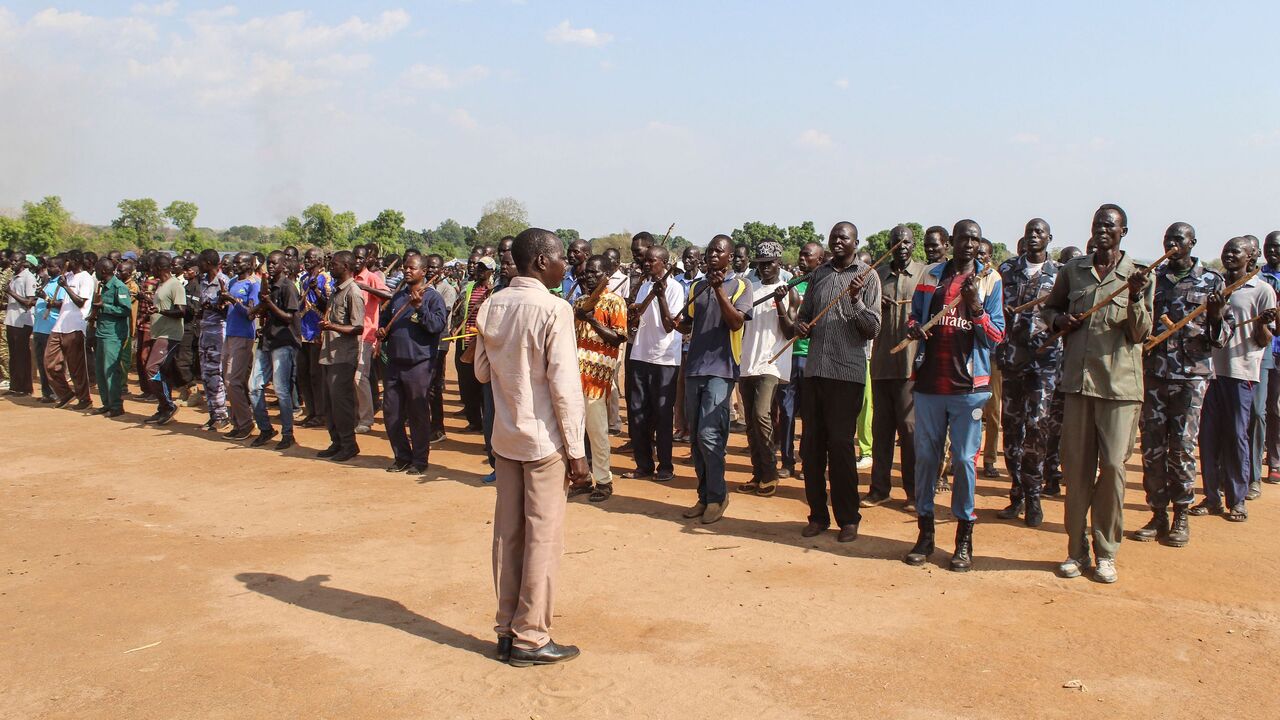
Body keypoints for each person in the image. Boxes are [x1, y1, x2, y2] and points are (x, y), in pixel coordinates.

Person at [473, 227, 588, 667]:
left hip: (505, 437)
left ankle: (506, 629)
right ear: (541, 261)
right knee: (542, 537)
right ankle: (531, 636)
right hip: (544, 443)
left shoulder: (492, 304)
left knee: (508, 535)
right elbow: (564, 387)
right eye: (561, 258)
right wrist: (576, 452)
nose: (567, 265)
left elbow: (482, 373)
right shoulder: (555, 309)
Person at [1042, 204, 1154, 584]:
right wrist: (1059, 320)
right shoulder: (1073, 271)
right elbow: (1051, 308)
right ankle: (1076, 551)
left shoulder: (1138, 276)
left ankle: (1107, 552)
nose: (1102, 230)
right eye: (1097, 224)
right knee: (1075, 470)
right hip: (1077, 385)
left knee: (1112, 469)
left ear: (1124, 231)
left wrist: (1136, 298)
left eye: (1110, 225)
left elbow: (1140, 333)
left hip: (1119, 390)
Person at [901, 220, 1004, 571]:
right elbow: (914, 318)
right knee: (926, 460)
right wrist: (914, 327)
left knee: (962, 461)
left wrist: (976, 307)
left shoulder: (990, 281)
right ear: (952, 242)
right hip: (930, 384)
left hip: (969, 389)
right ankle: (925, 535)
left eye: (975, 239)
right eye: (963, 238)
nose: (969, 245)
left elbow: (995, 336)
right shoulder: (931, 275)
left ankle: (963, 539)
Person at [1137, 223, 1228, 547]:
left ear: (1193, 243)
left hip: (1191, 378)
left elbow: (1222, 338)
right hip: (1156, 375)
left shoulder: (1211, 281)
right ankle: (1158, 513)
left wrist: (1216, 317)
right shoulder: (1153, 280)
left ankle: (1182, 515)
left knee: (1183, 448)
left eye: (1179, 239)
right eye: (1168, 239)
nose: (1172, 244)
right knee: (1153, 448)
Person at [793, 222, 882, 542]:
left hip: (847, 374)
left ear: (856, 242)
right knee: (812, 448)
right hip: (815, 370)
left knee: (842, 448)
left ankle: (848, 518)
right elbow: (804, 315)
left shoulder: (868, 276)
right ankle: (818, 515)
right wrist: (801, 326)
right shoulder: (820, 275)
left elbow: (872, 328)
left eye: (844, 237)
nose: (838, 242)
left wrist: (856, 300)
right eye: (834, 237)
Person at [1193, 237, 1276, 522]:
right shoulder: (1214, 286)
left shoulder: (1261, 290)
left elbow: (1265, 339)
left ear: (1250, 257)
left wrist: (1263, 322)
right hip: (1210, 372)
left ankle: (1237, 499)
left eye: (1235, 251)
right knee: (1208, 437)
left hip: (1241, 372)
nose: (1229, 254)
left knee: (1236, 435)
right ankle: (1212, 496)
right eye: (1226, 250)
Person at [677, 235, 754, 524]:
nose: (711, 255)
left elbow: (735, 322)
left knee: (710, 437)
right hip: (695, 367)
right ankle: (704, 496)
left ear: (730, 257)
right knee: (696, 439)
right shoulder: (697, 286)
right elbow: (688, 322)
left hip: (722, 369)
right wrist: (673, 319)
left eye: (718, 251)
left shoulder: (741, 286)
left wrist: (720, 290)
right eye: (709, 250)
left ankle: (718, 496)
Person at [993, 218, 1061, 527]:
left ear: (1049, 238)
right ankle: (1016, 493)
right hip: (1012, 360)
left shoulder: (1060, 274)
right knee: (1012, 430)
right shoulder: (1006, 271)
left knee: (1037, 428)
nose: (1034, 236)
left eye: (1040, 232)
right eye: (1029, 232)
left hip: (1044, 364)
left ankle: (1034, 497)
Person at [867, 225, 923, 510]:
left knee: (910, 431)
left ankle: (913, 493)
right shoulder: (877, 277)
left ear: (914, 245)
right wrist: (878, 307)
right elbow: (864, 313)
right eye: (895, 242)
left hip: (910, 367)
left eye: (906, 242)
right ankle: (879, 488)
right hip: (881, 364)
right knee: (882, 430)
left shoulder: (924, 274)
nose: (900, 246)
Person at [736, 240, 798, 496]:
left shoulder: (789, 290)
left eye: (769, 264)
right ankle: (758, 472)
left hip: (772, 363)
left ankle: (771, 472)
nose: (765, 269)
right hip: (747, 361)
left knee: (762, 415)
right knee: (750, 422)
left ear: (779, 264)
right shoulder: (750, 288)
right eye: (760, 265)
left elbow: (792, 331)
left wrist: (781, 304)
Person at [379, 255, 448, 475]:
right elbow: (385, 324)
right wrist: (382, 332)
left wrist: (419, 309)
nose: (407, 271)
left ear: (424, 270)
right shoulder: (398, 297)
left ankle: (420, 460)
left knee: (418, 413)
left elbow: (437, 326)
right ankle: (401, 457)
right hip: (394, 363)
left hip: (419, 364)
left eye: (412, 268)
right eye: (404, 267)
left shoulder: (432, 298)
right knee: (392, 413)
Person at [568, 255, 627, 502]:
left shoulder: (615, 303)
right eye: (586, 273)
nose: (588, 277)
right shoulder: (580, 301)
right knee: (575, 432)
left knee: (597, 432)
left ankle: (604, 481)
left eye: (594, 273)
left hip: (597, 378)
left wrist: (590, 318)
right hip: (574, 376)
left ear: (605, 276)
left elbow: (618, 338)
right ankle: (581, 478)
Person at [624, 246, 685, 482]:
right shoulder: (645, 286)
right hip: (640, 354)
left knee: (662, 414)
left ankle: (666, 466)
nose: (647, 264)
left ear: (664, 263)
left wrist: (660, 296)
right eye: (645, 261)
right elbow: (639, 317)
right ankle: (644, 465)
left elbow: (670, 325)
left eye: (652, 261)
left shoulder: (676, 289)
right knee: (638, 412)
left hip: (665, 359)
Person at [778, 241, 824, 478]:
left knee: (810, 414)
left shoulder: (824, 285)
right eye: (801, 255)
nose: (802, 259)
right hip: (789, 354)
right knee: (785, 412)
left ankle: (808, 461)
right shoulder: (790, 285)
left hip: (812, 357)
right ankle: (787, 461)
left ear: (820, 259)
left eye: (808, 256)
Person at [248, 251, 303, 451]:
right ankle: (266, 429)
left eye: (273, 263)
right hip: (267, 340)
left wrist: (269, 303)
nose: (270, 266)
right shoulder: (269, 284)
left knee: (281, 390)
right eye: (268, 264)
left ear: (283, 265)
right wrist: (257, 309)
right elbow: (265, 309)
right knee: (254, 386)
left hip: (284, 342)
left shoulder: (288, 287)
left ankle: (288, 434)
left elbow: (289, 317)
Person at [316, 251, 365, 463]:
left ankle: (348, 444)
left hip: (343, 357)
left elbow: (358, 326)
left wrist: (332, 326)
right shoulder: (336, 291)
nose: (331, 267)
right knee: (330, 402)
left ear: (345, 266)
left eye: (334, 264)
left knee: (341, 403)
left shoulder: (353, 292)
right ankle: (336, 441)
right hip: (329, 354)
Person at [46, 251, 96, 410]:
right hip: (59, 325)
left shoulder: (86, 278)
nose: (65, 264)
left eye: (67, 261)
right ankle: (66, 393)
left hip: (76, 326)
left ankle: (84, 399)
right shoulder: (67, 276)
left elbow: (81, 302)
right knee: (49, 363)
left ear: (75, 261)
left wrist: (66, 287)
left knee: (76, 367)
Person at [141, 254, 187, 425]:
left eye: (152, 267)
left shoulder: (175, 285)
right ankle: (163, 408)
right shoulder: (162, 285)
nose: (150, 270)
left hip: (170, 335)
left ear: (160, 268)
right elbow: (160, 307)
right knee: (162, 370)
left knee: (151, 368)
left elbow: (181, 311)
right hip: (159, 333)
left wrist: (160, 311)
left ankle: (168, 405)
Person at [220, 252, 260, 440]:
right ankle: (238, 422)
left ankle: (246, 423)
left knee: (232, 381)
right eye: (234, 262)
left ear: (251, 264)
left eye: (239, 262)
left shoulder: (253, 285)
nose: (235, 265)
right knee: (228, 379)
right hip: (230, 333)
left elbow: (251, 313)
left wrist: (231, 300)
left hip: (244, 336)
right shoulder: (233, 281)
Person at [452, 256, 494, 432]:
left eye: (484, 268)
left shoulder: (495, 291)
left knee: (483, 386)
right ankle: (474, 421)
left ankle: (487, 425)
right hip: (465, 341)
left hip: (483, 344)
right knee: (467, 384)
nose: (480, 271)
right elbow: (459, 310)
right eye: (479, 267)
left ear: (491, 271)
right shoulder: (468, 287)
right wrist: (455, 327)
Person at [353, 245, 390, 434]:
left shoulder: (373, 278)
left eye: (361, 258)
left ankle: (366, 419)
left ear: (368, 259)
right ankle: (354, 414)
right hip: (346, 334)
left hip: (366, 335)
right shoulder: (347, 276)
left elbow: (389, 296)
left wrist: (367, 288)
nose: (357, 261)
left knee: (360, 377)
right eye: (355, 257)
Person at [88, 258, 132, 417]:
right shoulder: (103, 286)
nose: (95, 273)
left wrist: (104, 307)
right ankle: (106, 403)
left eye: (97, 270)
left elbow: (125, 310)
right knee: (100, 370)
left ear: (104, 271)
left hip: (113, 335)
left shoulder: (118, 287)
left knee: (111, 371)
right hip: (102, 332)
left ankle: (116, 406)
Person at [194, 250, 230, 431]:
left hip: (218, 332)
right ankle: (213, 414)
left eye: (200, 261)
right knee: (206, 375)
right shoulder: (203, 281)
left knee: (215, 373)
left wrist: (215, 306)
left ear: (208, 262)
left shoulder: (224, 282)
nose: (197, 264)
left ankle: (222, 415)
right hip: (205, 331)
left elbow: (228, 310)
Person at [297, 248, 332, 428]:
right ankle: (310, 411)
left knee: (316, 374)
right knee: (302, 373)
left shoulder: (325, 278)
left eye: (311, 258)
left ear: (319, 260)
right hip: (303, 329)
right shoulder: (303, 279)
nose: (308, 260)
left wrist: (316, 291)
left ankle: (321, 413)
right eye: (306, 258)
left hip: (317, 331)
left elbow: (329, 304)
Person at [673, 245, 703, 443]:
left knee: (693, 390)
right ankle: (680, 427)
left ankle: (693, 428)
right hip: (677, 341)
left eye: (692, 257)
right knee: (679, 388)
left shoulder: (704, 282)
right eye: (685, 257)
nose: (688, 260)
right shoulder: (676, 281)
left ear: (699, 260)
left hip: (696, 342)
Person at [425, 254, 456, 443]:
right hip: (423, 342)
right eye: (428, 266)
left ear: (441, 270)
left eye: (434, 267)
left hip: (439, 341)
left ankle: (438, 428)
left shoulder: (447, 290)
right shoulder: (423, 288)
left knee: (434, 387)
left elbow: (440, 316)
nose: (430, 270)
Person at [4, 254, 37, 396]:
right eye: (12, 260)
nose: (13, 263)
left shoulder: (28, 277)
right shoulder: (14, 277)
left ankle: (25, 387)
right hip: (11, 320)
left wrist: (10, 292)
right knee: (14, 355)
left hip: (22, 321)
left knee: (22, 355)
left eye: (16, 261)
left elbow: (30, 302)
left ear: (23, 262)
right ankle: (15, 386)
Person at [1262, 230, 1280, 485]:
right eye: (1269, 246)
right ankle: (1273, 461)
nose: (1273, 251)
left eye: (1277, 247)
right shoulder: (1258, 276)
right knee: (1270, 407)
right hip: (1267, 349)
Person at [31, 260, 60, 403]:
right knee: (41, 363)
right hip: (39, 327)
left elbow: (61, 305)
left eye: (52, 266)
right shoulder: (48, 282)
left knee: (51, 363)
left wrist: (45, 297)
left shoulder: (60, 284)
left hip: (50, 327)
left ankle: (57, 392)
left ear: (60, 268)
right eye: (48, 266)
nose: (48, 269)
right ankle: (46, 392)